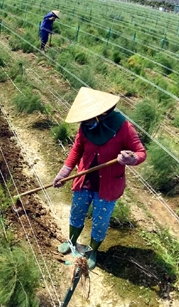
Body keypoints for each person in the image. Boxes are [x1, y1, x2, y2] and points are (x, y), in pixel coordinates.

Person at [53, 87, 146, 270]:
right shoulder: (85, 127)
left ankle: (93, 250)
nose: (85, 123)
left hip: (108, 187)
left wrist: (131, 158)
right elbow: (77, 149)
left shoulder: (123, 128)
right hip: (85, 181)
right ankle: (72, 241)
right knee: (77, 212)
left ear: (100, 115)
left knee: (100, 220)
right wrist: (64, 172)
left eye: (87, 120)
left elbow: (141, 152)